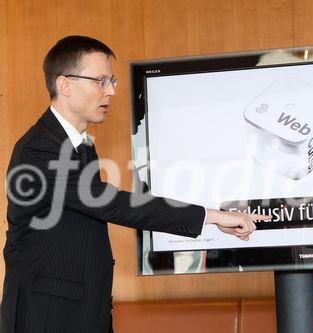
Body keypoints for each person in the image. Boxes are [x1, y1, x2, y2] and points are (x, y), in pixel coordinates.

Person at [0, 35, 269, 333]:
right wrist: (212, 216)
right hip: (47, 317)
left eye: (112, 81)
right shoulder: (40, 149)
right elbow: (112, 204)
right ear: (64, 85)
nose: (112, 91)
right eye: (100, 81)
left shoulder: (81, 146)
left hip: (81, 312)